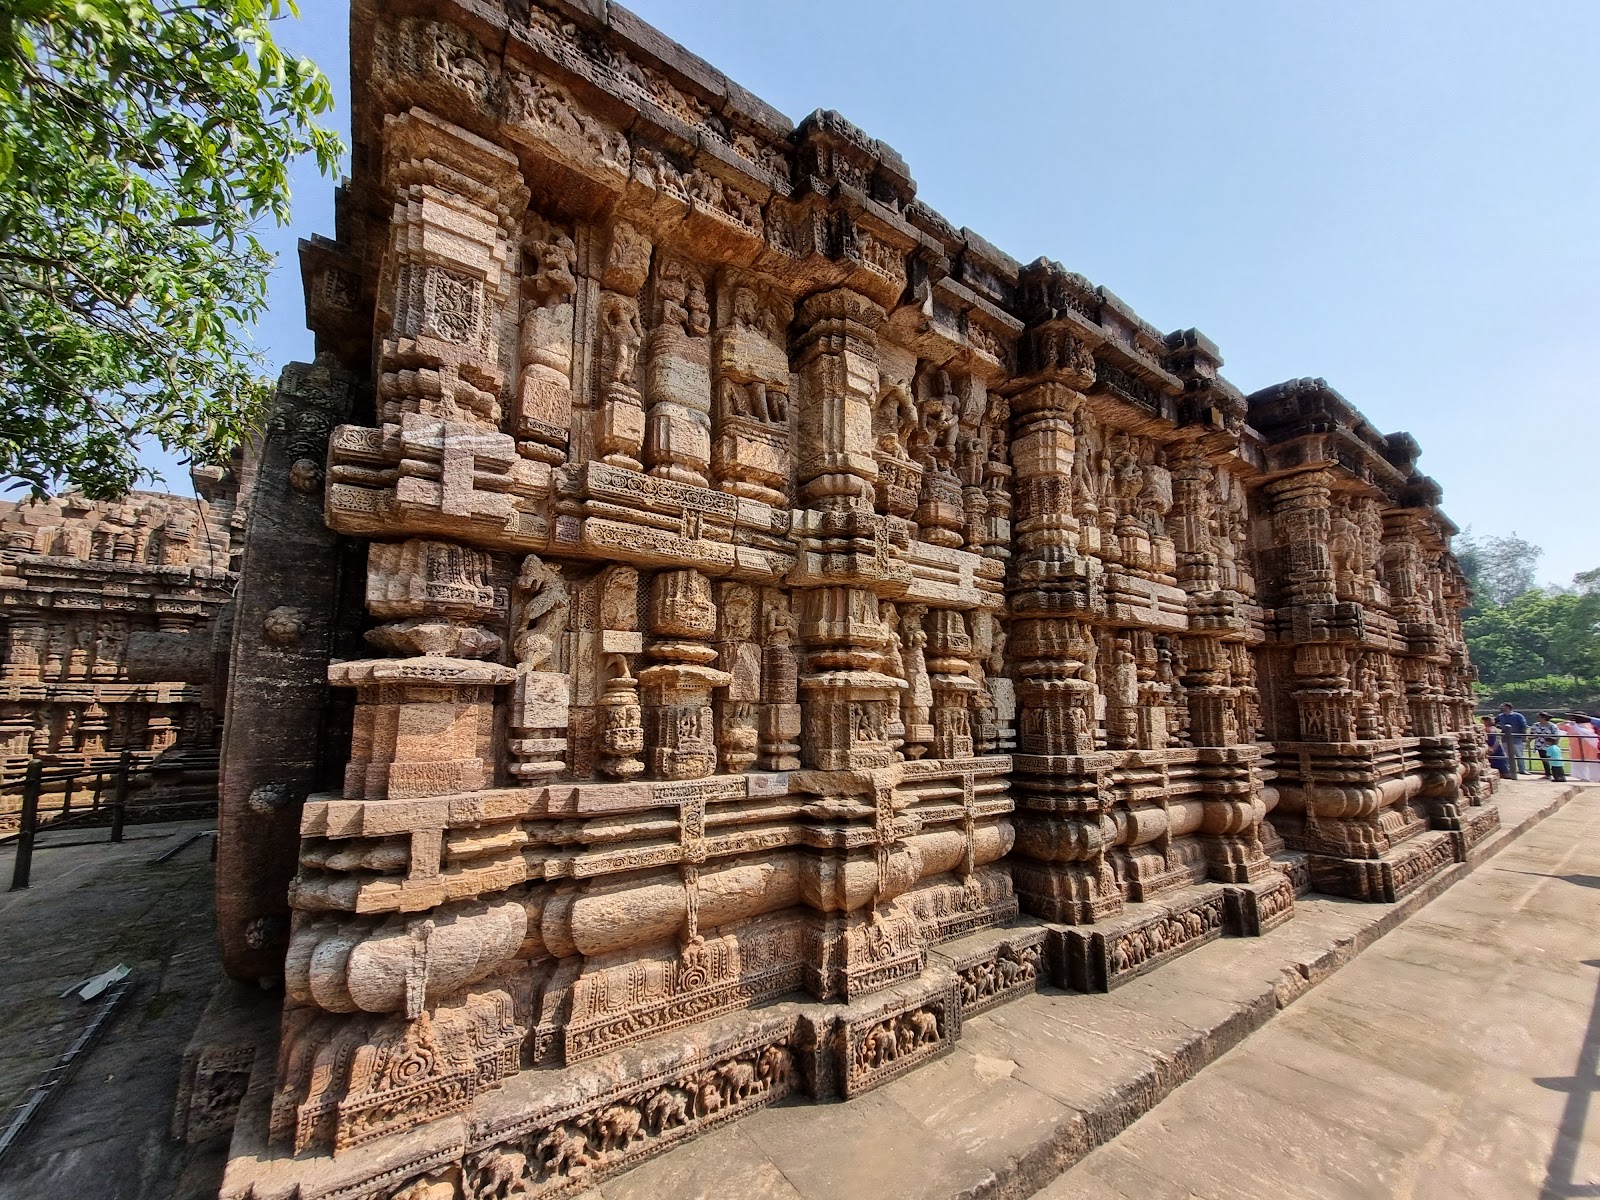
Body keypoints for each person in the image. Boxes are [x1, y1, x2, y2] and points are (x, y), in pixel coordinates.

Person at [1561, 714, 1600, 783]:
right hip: (1585, 748)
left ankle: (1589, 778)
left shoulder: (1573, 726)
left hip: (1587, 749)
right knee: (1589, 764)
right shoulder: (1590, 726)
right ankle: (1589, 778)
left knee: (1592, 764)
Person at [1531, 712, 1567, 783]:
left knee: (1552, 760)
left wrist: (1554, 744)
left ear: (1543, 718)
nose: (1537, 718)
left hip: (1549, 745)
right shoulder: (1535, 725)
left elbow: (1556, 735)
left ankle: (1557, 775)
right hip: (1540, 745)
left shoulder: (1552, 726)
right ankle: (1547, 774)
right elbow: (1532, 734)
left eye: (1539, 717)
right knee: (1544, 760)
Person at [1496, 703, 1529, 775]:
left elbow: (1523, 726)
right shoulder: (1500, 716)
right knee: (1507, 755)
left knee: (1519, 754)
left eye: (1502, 706)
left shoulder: (1518, 716)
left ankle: (1522, 770)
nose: (1501, 708)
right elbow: (1495, 724)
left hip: (1517, 738)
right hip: (1505, 738)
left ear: (1508, 707)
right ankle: (1509, 770)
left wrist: (1524, 736)